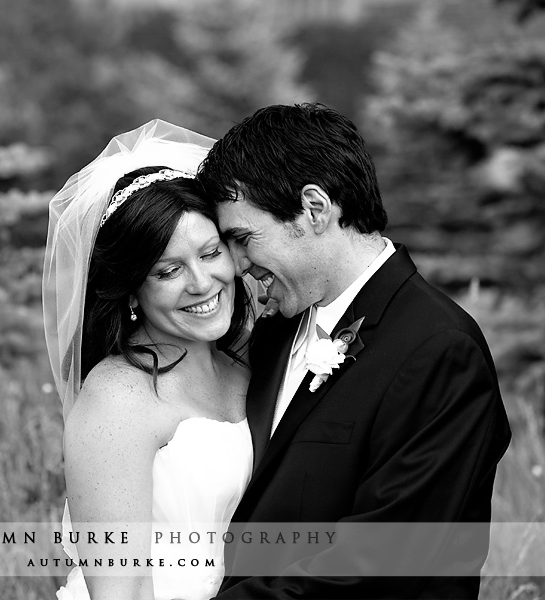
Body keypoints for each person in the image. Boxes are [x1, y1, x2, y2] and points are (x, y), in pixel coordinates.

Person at [195, 103, 513, 599]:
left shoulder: (439, 349)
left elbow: (381, 563)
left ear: (316, 208)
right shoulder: (277, 330)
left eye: (243, 239)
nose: (236, 267)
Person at [43, 120, 256, 600]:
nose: (202, 283)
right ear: (134, 288)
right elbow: (120, 589)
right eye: (169, 270)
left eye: (210, 252)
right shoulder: (119, 396)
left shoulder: (245, 369)